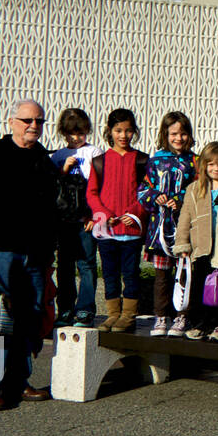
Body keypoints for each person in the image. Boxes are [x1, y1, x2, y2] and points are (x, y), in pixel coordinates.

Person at [0, 99, 60, 411]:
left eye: (39, 121)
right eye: (27, 120)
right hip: (3, 253)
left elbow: (51, 210)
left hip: (36, 256)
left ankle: (18, 382)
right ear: (11, 122)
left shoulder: (43, 160)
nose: (33, 126)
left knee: (29, 321)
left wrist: (49, 254)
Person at [87, 109, 148, 333]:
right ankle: (113, 314)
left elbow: (146, 191)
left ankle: (128, 315)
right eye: (118, 130)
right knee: (110, 273)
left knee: (131, 273)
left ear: (134, 132)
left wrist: (133, 213)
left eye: (128, 130)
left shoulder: (142, 160)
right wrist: (104, 213)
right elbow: (91, 193)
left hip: (132, 231)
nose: (123, 135)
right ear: (109, 132)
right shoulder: (99, 161)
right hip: (107, 230)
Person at [174, 142, 218, 342]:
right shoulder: (195, 189)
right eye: (210, 164)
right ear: (203, 165)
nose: (215, 168)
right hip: (201, 246)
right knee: (200, 287)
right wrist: (183, 244)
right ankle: (200, 323)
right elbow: (185, 218)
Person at [139, 111, 196, 337]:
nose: (178, 138)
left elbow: (199, 192)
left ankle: (182, 317)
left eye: (183, 133)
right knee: (162, 277)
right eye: (173, 134)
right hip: (159, 229)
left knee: (184, 275)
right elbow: (142, 190)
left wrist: (181, 199)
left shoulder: (195, 161)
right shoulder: (155, 161)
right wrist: (156, 196)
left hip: (186, 229)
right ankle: (161, 317)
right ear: (165, 134)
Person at [50, 107, 101, 328]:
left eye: (80, 133)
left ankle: (85, 309)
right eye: (72, 133)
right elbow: (51, 187)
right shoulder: (58, 156)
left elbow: (98, 186)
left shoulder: (94, 152)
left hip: (84, 219)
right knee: (64, 265)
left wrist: (92, 215)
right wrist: (63, 169)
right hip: (64, 220)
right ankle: (66, 308)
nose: (77, 138)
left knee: (87, 264)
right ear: (64, 133)